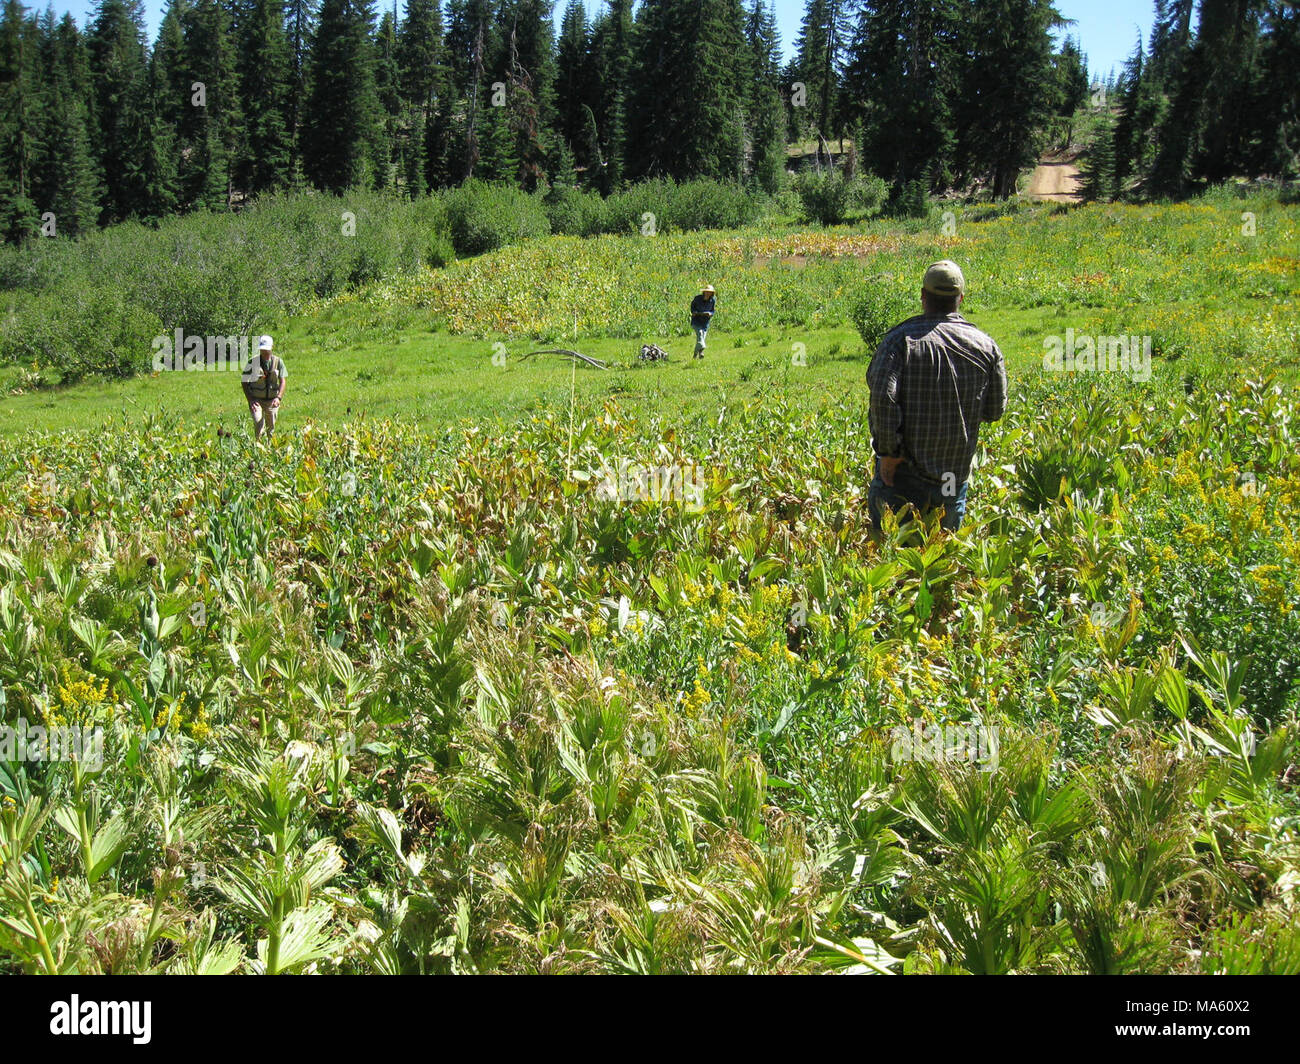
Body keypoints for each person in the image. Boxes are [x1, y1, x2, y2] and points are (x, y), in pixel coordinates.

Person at [866, 260, 1006, 532]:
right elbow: (994, 411)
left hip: (902, 473)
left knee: (894, 559)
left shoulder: (900, 341)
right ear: (960, 298)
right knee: (942, 559)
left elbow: (883, 398)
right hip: (952, 477)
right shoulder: (986, 346)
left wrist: (889, 453)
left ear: (923, 296)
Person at [242, 334, 287, 440]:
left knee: (270, 429)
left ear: (272, 348)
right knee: (259, 424)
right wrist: (250, 399)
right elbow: (244, 381)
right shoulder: (252, 363)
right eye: (262, 350)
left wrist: (278, 398)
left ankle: (269, 450)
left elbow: (283, 381)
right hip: (256, 400)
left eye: (267, 350)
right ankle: (258, 449)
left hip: (272, 401)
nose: (265, 353)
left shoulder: (278, 362)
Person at [690, 284, 716, 358]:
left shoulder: (712, 301)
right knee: (700, 335)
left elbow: (712, 311)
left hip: (705, 322)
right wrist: (694, 312)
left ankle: (695, 355)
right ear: (704, 292)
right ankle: (702, 349)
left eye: (710, 292)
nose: (708, 293)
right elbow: (692, 307)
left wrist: (710, 314)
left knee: (700, 339)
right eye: (707, 292)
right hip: (696, 321)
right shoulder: (697, 299)